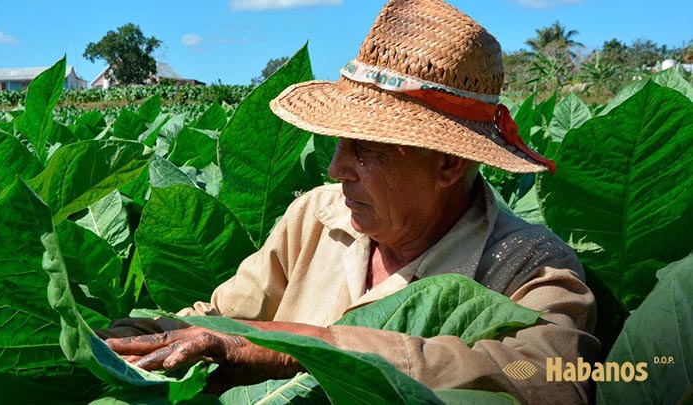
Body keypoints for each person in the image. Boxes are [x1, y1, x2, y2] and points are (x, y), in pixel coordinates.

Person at [99, 0, 600, 402]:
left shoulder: (530, 266)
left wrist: (306, 349)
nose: (337, 168)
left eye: (369, 149)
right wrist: (130, 338)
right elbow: (220, 316)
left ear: (449, 164)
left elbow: (548, 379)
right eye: (340, 141)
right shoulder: (315, 215)